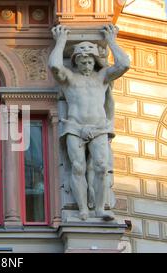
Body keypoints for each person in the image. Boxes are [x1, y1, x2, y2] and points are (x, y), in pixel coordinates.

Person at [48, 24, 130, 220]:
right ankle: (83, 208)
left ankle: (100, 208)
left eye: (90, 62)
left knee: (102, 167)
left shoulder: (102, 77)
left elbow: (124, 64)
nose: (86, 65)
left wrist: (111, 40)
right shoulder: (70, 78)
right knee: (77, 167)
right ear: (76, 62)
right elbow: (55, 66)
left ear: (95, 62)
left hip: (99, 128)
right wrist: (60, 41)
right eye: (82, 62)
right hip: (75, 127)